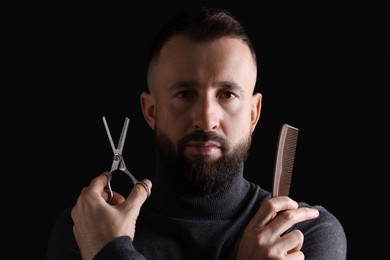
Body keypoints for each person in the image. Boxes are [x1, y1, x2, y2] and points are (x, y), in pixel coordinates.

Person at [47, 6, 347, 260]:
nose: (206, 119)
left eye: (227, 95)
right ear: (151, 110)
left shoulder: (304, 236)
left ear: (253, 114)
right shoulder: (83, 228)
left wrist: (109, 252)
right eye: (185, 94)